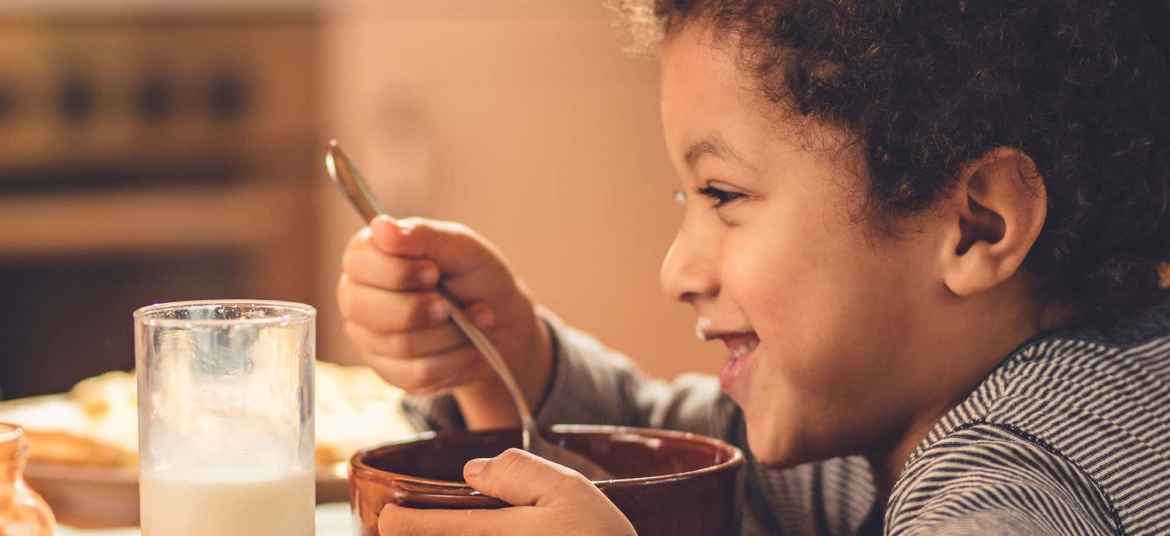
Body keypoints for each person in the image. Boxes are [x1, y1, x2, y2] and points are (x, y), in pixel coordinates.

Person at [336, 0, 1170, 534]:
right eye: (682, 200)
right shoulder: (895, 420)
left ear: (975, 226)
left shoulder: (1006, 476)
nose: (678, 270)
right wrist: (513, 355)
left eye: (724, 194)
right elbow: (676, 452)